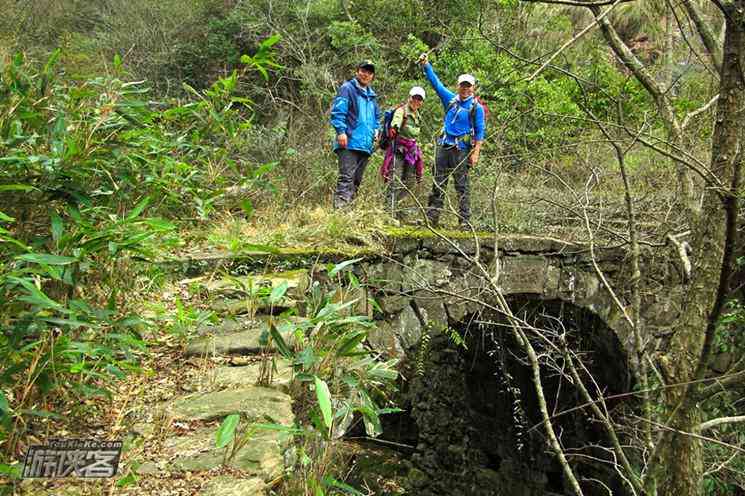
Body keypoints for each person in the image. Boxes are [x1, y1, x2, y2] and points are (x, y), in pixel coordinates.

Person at [418, 53, 485, 228]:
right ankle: (432, 218)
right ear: (458, 86)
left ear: (473, 88)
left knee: (462, 186)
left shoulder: (476, 108)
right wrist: (426, 65)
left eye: (468, 86)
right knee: (438, 182)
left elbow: (480, 133)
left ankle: (464, 221)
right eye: (462, 85)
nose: (465, 89)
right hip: (444, 146)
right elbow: (436, 84)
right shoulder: (450, 100)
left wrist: (475, 153)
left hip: (462, 150)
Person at [329, 60, 382, 209]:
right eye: (363, 71)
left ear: (372, 76)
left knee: (357, 181)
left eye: (369, 72)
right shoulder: (347, 89)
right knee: (346, 178)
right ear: (357, 71)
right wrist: (341, 132)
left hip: (365, 145)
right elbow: (338, 112)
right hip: (349, 141)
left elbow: (377, 117)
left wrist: (376, 130)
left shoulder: (371, 96)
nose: (366, 74)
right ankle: (340, 214)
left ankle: (350, 213)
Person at [380, 86, 426, 219]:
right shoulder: (401, 111)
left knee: (410, 181)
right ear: (409, 98)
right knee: (394, 180)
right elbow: (396, 123)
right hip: (398, 150)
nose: (416, 101)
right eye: (414, 98)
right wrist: (395, 127)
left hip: (411, 152)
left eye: (419, 99)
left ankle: (397, 208)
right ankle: (388, 212)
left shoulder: (418, 116)